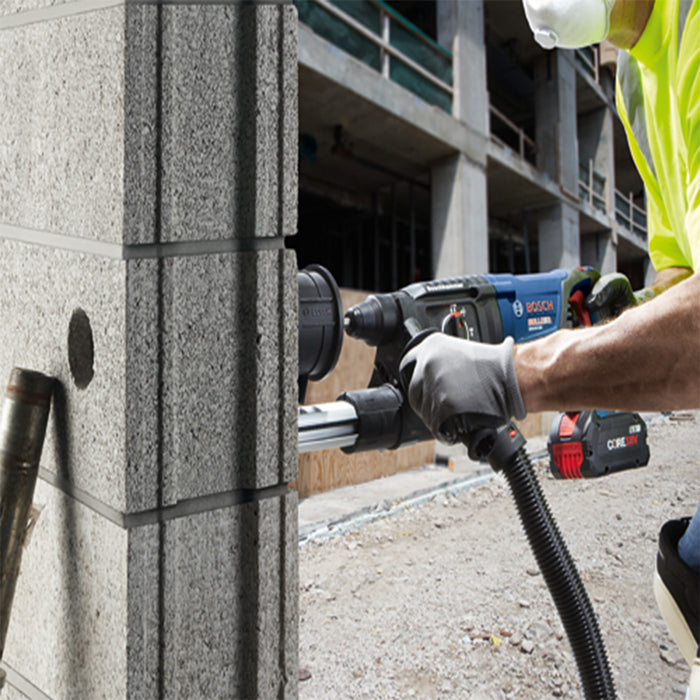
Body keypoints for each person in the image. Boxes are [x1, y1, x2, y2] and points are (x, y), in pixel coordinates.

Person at [400, 0, 699, 693]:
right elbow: (682, 277)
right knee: (684, 577)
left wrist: (516, 375)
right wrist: (627, 319)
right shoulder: (634, 82)